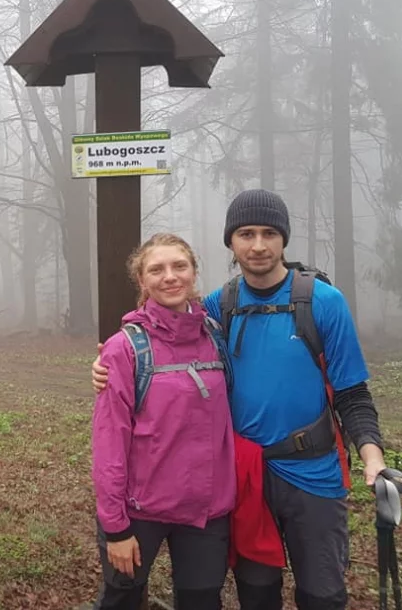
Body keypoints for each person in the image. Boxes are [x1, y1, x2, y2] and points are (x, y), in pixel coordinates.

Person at [92, 190, 387, 610]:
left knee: (322, 593)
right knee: (257, 591)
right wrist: (106, 361)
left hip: (312, 473)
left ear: (284, 239)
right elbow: (164, 330)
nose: (259, 245)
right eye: (246, 233)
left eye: (269, 233)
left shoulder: (323, 302)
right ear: (231, 242)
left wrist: (372, 455)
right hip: (245, 477)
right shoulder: (219, 308)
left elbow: (352, 392)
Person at [91, 233, 235, 610]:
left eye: (179, 266)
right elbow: (109, 444)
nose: (170, 276)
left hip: (207, 510)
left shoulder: (216, 337)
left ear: (194, 273)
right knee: (121, 598)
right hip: (140, 511)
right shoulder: (125, 348)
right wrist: (115, 527)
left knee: (202, 600)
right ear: (142, 281)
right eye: (157, 269)